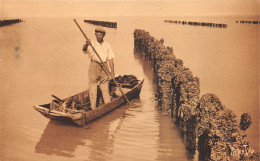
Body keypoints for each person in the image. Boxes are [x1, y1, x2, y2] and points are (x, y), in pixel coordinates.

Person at [82, 27, 115, 109]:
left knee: (105, 89)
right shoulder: (91, 43)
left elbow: (110, 59)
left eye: (100, 35)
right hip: (94, 65)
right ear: (95, 35)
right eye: (97, 35)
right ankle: (93, 108)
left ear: (103, 36)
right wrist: (86, 44)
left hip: (104, 66)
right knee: (93, 87)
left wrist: (112, 72)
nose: (98, 37)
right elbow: (84, 50)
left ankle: (107, 107)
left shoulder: (107, 45)